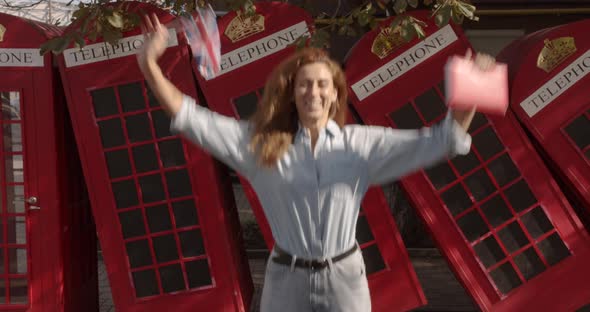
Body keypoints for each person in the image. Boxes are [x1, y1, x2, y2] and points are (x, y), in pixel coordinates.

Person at [137, 13, 494, 312]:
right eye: (304, 85)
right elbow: (191, 117)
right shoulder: (256, 145)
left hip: (345, 283)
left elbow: (441, 141)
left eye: (323, 85)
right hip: (285, 283)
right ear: (291, 94)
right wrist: (150, 65)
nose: (314, 92)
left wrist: (475, 89)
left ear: (335, 93)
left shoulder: (360, 145)